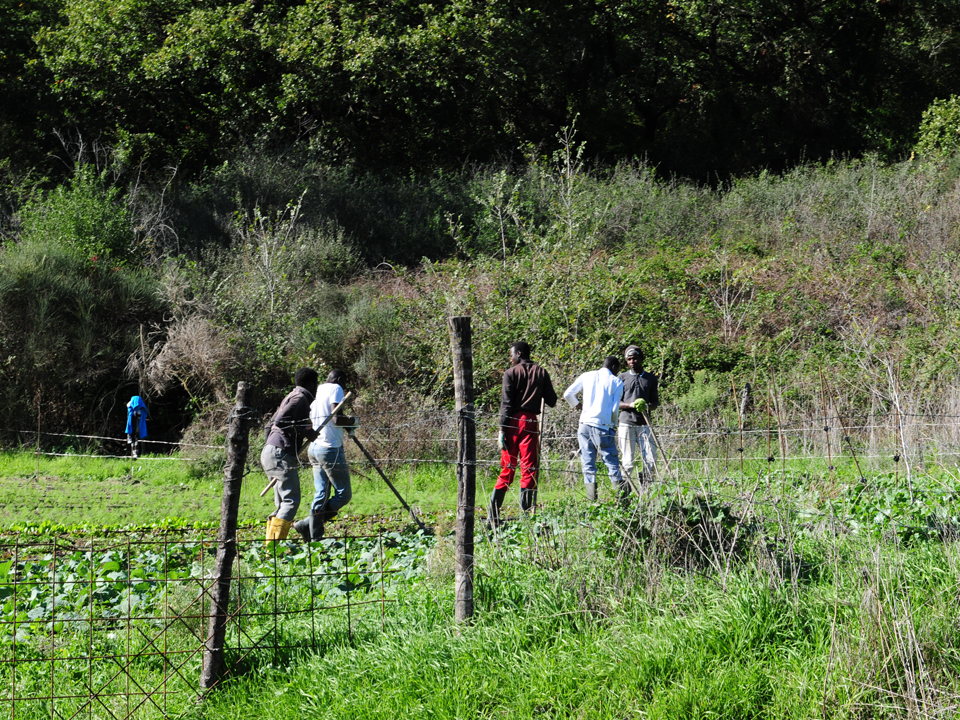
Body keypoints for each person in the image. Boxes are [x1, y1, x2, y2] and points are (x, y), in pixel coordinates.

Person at [490, 342, 558, 525]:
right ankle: (525, 517)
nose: (510, 358)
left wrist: (501, 429)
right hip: (530, 423)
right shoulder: (541, 372)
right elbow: (552, 401)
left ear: (519, 354)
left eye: (511, 355)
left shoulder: (510, 373)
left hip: (512, 423)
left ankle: (493, 516)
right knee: (529, 468)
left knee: (508, 467)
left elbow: (506, 404)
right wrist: (539, 388)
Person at [295, 369, 357, 542]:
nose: (343, 386)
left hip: (314, 447)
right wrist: (353, 421)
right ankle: (308, 524)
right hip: (330, 449)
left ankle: (315, 537)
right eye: (343, 382)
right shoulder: (335, 388)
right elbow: (336, 418)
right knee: (344, 494)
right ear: (337, 379)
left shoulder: (319, 388)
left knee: (321, 494)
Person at [261, 368, 320, 541]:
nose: (316, 388)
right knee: (290, 501)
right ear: (310, 383)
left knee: (281, 504)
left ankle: (270, 547)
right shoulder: (300, 398)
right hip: (280, 453)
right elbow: (281, 422)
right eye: (316, 383)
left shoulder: (291, 395)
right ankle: (273, 546)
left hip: (272, 451)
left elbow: (271, 425)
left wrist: (271, 445)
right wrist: (305, 432)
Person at [563, 356, 626, 502]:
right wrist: (612, 424)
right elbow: (615, 408)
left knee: (588, 464)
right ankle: (621, 501)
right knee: (612, 463)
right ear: (614, 367)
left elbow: (568, 394)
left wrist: (580, 407)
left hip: (584, 425)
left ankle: (592, 502)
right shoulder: (616, 381)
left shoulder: (587, 375)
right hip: (603, 426)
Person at [618, 344, 660, 489]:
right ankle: (625, 494)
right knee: (628, 461)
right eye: (629, 359)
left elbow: (655, 402)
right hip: (626, 423)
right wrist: (631, 405)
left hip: (645, 423)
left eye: (635, 358)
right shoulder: (621, 378)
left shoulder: (650, 378)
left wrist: (646, 406)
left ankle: (646, 491)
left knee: (650, 459)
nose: (632, 362)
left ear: (641, 359)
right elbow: (616, 402)